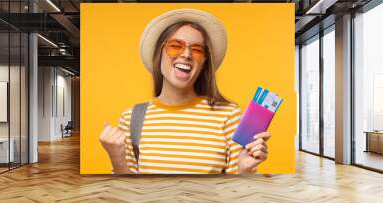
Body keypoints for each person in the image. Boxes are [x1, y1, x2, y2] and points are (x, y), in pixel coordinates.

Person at [99, 9, 270, 174]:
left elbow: (236, 191)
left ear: (203, 63)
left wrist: (244, 170)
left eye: (196, 49)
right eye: (175, 46)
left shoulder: (228, 115)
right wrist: (117, 159)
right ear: (159, 54)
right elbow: (129, 193)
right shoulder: (131, 118)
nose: (187, 54)